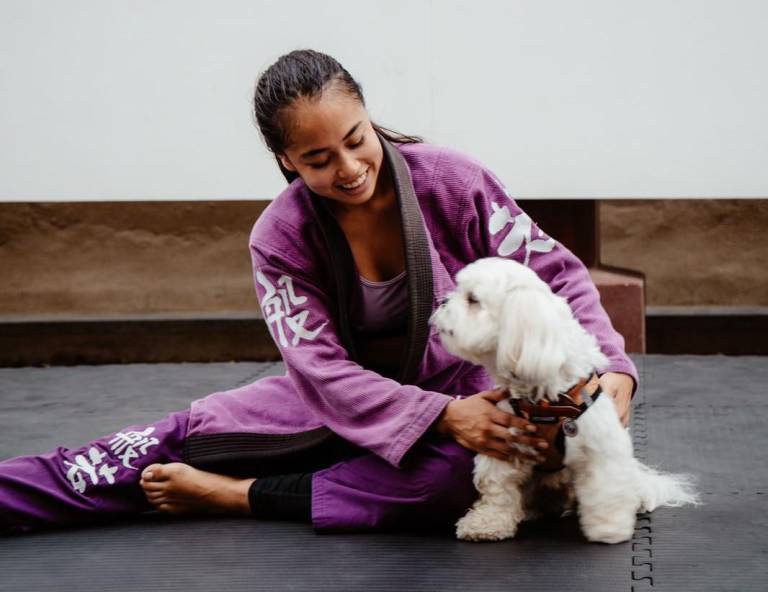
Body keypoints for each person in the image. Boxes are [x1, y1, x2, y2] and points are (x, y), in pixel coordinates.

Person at [0, 49, 637, 536]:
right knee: (123, 461)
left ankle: (234, 493)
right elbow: (319, 368)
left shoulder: (455, 183)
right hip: (321, 405)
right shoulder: (279, 236)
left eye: (357, 139)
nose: (351, 168)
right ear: (287, 162)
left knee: (457, 485)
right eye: (318, 158)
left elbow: (555, 276)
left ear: (369, 117)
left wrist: (613, 369)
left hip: (460, 401)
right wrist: (436, 416)